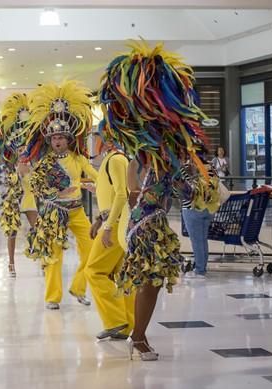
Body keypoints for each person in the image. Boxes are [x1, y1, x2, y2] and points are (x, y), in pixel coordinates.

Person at [100, 41, 212, 360]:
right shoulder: (145, 150)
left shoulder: (169, 151)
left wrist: (197, 187)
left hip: (157, 222)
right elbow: (140, 185)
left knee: (154, 280)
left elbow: (177, 188)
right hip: (144, 224)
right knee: (150, 279)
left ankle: (137, 334)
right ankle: (137, 337)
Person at [22, 81, 97, 310]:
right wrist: (57, 191)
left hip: (77, 212)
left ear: (68, 139)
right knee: (53, 256)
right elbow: (35, 186)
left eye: (61, 138)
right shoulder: (45, 163)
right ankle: (52, 297)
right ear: (50, 140)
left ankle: (78, 287)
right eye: (54, 138)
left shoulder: (79, 159)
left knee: (92, 249)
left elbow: (96, 175)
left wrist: (96, 185)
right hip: (54, 214)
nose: (57, 141)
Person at [84, 132, 136, 340]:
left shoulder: (115, 159)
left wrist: (107, 226)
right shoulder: (112, 159)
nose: (92, 143)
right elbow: (113, 194)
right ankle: (127, 324)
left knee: (94, 271)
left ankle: (115, 320)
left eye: (96, 138)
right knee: (121, 276)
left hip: (115, 226)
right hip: (113, 222)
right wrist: (99, 219)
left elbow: (122, 194)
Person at [0, 92, 31, 277]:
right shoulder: (7, 160)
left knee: (38, 226)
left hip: (31, 192)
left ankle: (44, 259)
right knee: (12, 228)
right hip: (13, 192)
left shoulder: (33, 157)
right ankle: (11, 262)